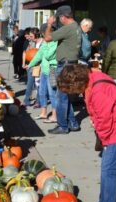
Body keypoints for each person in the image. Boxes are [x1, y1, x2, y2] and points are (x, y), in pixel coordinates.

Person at [57, 64, 116, 202]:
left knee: (109, 170)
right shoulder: (92, 78)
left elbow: (104, 122)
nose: (72, 94)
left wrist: (105, 142)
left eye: (71, 90)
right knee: (108, 169)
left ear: (76, 83)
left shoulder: (98, 91)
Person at [44, 5, 81, 134]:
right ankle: (73, 123)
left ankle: (62, 126)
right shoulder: (76, 26)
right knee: (66, 96)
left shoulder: (67, 28)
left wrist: (49, 25)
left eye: (59, 18)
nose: (59, 20)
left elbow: (47, 38)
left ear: (63, 17)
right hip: (72, 64)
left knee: (61, 98)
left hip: (65, 65)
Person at [27, 23, 58, 122]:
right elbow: (38, 55)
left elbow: (49, 55)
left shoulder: (55, 42)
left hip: (51, 70)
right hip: (44, 71)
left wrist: (44, 46)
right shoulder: (45, 43)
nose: (43, 36)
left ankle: (54, 115)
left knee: (52, 93)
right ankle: (43, 113)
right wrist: (30, 64)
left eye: (44, 34)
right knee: (42, 92)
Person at [21, 27, 42, 107]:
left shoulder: (42, 43)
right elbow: (27, 53)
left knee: (38, 84)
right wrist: (27, 64)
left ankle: (38, 101)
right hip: (32, 65)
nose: (29, 38)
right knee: (32, 83)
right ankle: (27, 100)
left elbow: (39, 56)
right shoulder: (31, 43)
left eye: (30, 36)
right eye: (28, 36)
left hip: (39, 65)